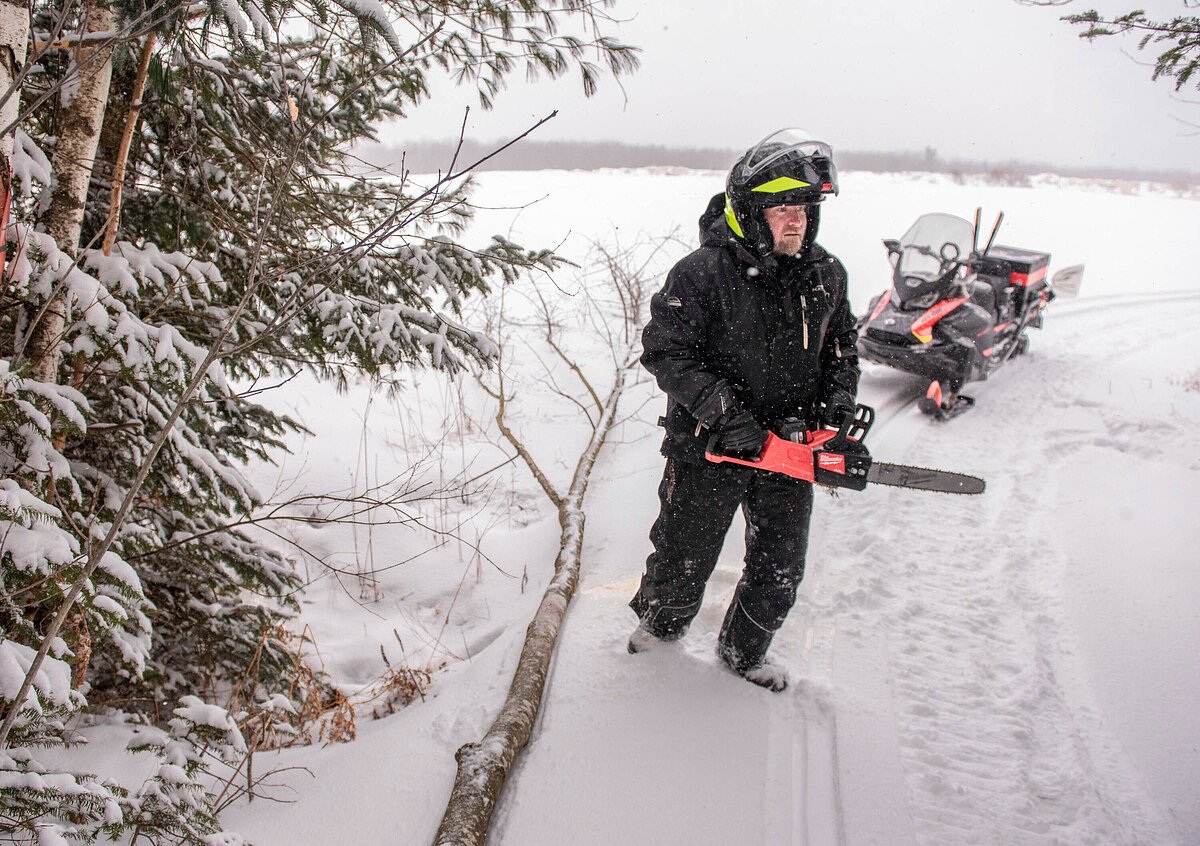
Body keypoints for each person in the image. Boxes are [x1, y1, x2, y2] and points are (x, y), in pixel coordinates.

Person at [628, 129, 860, 692]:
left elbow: (842, 347)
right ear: (752, 212)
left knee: (779, 572)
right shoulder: (701, 273)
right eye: (781, 208)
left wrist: (836, 407)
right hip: (710, 448)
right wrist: (733, 422)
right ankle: (657, 637)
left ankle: (744, 651)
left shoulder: (825, 274)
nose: (795, 220)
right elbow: (665, 351)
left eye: (804, 208)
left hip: (790, 453)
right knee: (684, 559)